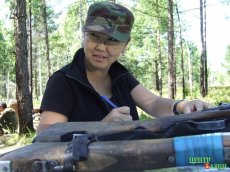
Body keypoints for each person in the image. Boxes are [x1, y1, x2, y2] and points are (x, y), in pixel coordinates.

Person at [37, 1, 212, 133]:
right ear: (85, 36)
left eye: (112, 40)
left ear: (125, 45)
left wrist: (181, 106)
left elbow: (153, 103)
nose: (100, 47)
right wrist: (100, 127)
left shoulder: (120, 76)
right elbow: (44, 132)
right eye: (95, 36)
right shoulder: (64, 81)